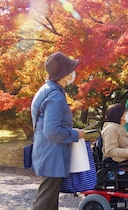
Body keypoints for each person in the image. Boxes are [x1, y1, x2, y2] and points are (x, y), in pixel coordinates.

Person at [30, 52, 85, 210]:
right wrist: (75, 134)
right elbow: (52, 131)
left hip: (47, 152)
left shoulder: (47, 90)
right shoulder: (55, 95)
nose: (73, 73)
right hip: (51, 154)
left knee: (49, 200)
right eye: (70, 70)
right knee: (44, 202)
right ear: (64, 74)